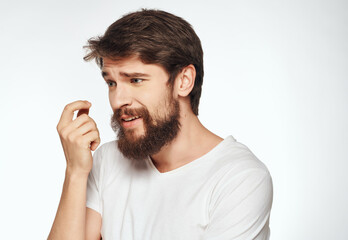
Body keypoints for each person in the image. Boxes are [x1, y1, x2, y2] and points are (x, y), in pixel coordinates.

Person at [48, 9, 273, 240]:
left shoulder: (239, 178)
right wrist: (75, 172)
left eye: (136, 80)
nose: (117, 100)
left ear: (183, 81)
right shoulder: (107, 161)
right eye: (112, 83)